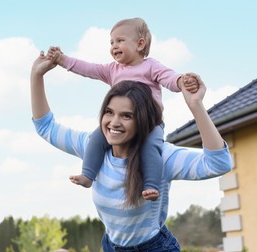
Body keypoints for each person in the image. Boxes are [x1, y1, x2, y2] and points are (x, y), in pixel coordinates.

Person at [31, 51, 232, 252]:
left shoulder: (160, 157)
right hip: (113, 249)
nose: (114, 122)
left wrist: (196, 106)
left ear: (143, 121)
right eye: (109, 112)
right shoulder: (93, 149)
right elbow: (47, 128)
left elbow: (219, 163)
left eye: (126, 116)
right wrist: (36, 76)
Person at [47, 17, 198, 201]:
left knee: (151, 147)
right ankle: (88, 175)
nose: (114, 46)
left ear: (140, 44)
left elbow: (168, 78)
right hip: (120, 125)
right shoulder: (112, 70)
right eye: (111, 42)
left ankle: (150, 185)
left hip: (150, 124)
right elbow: (88, 69)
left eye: (120, 41)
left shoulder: (151, 66)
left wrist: (182, 82)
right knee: (96, 138)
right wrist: (62, 59)